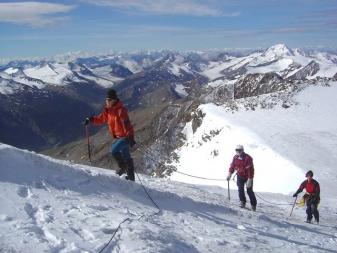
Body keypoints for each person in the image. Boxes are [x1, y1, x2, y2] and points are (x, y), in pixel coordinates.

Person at [84, 89, 136, 181]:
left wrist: (130, 136)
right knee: (126, 156)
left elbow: (127, 124)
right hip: (119, 137)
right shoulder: (108, 111)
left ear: (113, 100)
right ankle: (131, 178)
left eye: (108, 100)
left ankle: (122, 168)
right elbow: (101, 119)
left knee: (114, 150)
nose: (106, 101)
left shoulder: (121, 111)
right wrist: (91, 119)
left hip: (125, 137)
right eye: (106, 100)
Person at [226, 145, 257, 211]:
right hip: (240, 175)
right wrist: (229, 173)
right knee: (240, 189)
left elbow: (250, 170)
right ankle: (242, 201)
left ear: (242, 150)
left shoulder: (248, 158)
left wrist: (250, 179)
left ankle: (253, 205)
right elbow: (232, 166)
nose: (238, 151)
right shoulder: (235, 157)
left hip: (248, 176)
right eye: (236, 150)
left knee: (249, 191)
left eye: (239, 150)